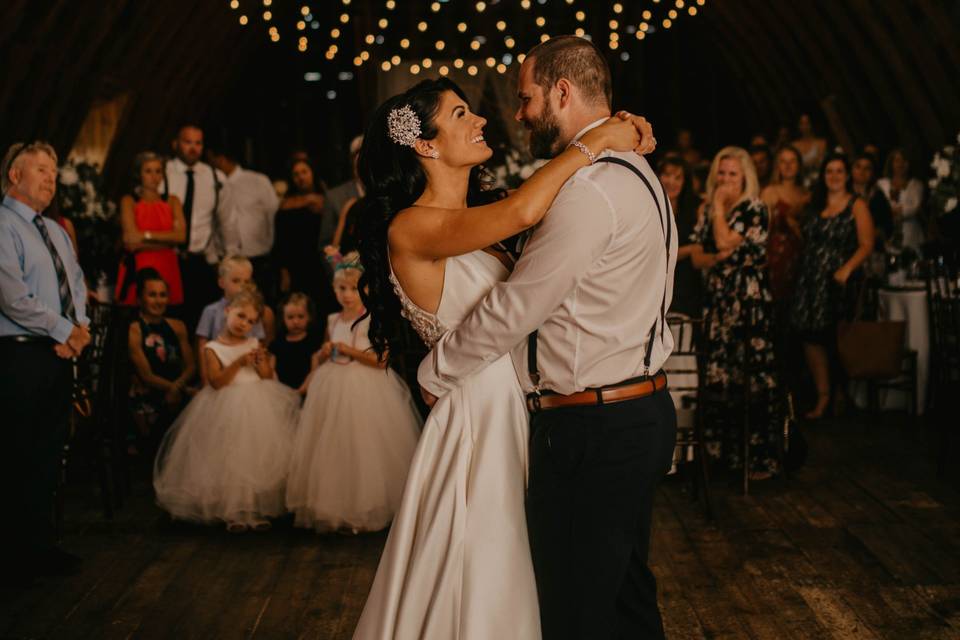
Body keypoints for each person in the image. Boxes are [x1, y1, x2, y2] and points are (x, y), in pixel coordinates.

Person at [353, 40, 662, 640]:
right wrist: (595, 141)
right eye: (460, 115)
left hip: (517, 411)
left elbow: (536, 230)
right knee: (480, 568)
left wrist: (614, 129)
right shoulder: (412, 225)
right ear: (425, 145)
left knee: (537, 570)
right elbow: (525, 211)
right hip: (476, 415)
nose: (483, 118)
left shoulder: (478, 219)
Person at [1, 141, 90, 579]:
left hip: (57, 353)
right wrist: (64, 330)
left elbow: (75, 282)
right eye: (41, 170)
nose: (51, 179)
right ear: (15, 175)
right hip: (18, 354)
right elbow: (14, 298)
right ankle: (13, 553)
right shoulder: (2, 225)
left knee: (48, 451)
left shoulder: (55, 230)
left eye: (55, 172)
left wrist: (81, 328)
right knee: (16, 452)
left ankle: (41, 545)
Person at [286, 253, 421, 533]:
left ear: (367, 289)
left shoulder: (372, 320)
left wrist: (349, 350)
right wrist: (324, 353)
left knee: (363, 445)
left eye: (354, 288)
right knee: (332, 446)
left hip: (365, 388)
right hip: (332, 385)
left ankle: (366, 507)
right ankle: (337, 506)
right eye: (341, 289)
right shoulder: (332, 319)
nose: (347, 295)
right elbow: (328, 349)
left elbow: (381, 360)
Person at [153, 286, 299, 533]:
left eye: (251, 321)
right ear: (228, 310)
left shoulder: (254, 342)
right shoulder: (212, 347)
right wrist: (239, 362)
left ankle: (253, 509)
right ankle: (233, 511)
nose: (244, 324)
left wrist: (261, 363)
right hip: (226, 405)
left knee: (254, 458)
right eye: (241, 316)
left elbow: (265, 377)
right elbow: (217, 382)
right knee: (230, 458)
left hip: (256, 403)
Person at [690, 146, 780, 479]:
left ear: (745, 178)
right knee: (718, 377)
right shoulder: (706, 210)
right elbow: (700, 257)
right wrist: (720, 255)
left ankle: (756, 459)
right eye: (722, 173)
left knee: (750, 380)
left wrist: (716, 210)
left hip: (746, 305)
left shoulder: (754, 208)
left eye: (733, 174)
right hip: (717, 302)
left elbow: (725, 241)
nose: (726, 180)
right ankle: (720, 458)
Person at [792, 152, 875, 419]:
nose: (834, 176)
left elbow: (867, 244)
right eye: (829, 171)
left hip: (837, 281)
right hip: (809, 280)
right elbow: (795, 220)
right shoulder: (814, 203)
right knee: (808, 336)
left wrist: (847, 269)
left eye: (839, 171)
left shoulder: (856, 204)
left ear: (847, 175)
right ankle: (822, 396)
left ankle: (840, 396)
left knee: (834, 338)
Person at [161, 124, 239, 328]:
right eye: (188, 142)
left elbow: (227, 222)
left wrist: (232, 261)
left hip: (202, 261)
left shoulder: (215, 177)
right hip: (171, 258)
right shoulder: (163, 173)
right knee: (170, 319)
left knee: (202, 321)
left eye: (198, 143)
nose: (193, 148)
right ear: (176, 144)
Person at [127, 268, 195, 454]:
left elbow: (191, 366)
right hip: (151, 392)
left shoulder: (178, 326)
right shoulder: (134, 330)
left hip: (178, 389)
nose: (158, 300)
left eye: (163, 295)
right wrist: (174, 389)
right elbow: (146, 376)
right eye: (152, 295)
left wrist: (178, 387)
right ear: (140, 299)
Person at [207, 143, 279, 300]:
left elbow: (274, 215)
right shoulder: (210, 184)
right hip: (225, 261)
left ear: (221, 160)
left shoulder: (258, 181)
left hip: (258, 260)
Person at [115, 152, 186, 306]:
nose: (154, 176)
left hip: (167, 267)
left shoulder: (172, 201)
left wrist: (144, 235)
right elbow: (130, 241)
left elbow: (181, 237)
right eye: (148, 171)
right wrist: (168, 241)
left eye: (158, 171)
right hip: (139, 265)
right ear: (139, 174)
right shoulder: (129, 201)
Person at [196, 255, 275, 385]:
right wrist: (204, 377)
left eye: (246, 281)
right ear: (221, 282)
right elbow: (202, 345)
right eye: (236, 281)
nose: (242, 286)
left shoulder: (253, 312)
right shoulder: (211, 311)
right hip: (221, 369)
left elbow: (259, 344)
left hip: (248, 373)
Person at [273, 156, 337, 316]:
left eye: (304, 172)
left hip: (320, 262)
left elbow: (334, 234)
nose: (301, 177)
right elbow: (280, 240)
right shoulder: (286, 203)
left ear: (312, 173)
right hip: (295, 263)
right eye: (296, 174)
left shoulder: (327, 199)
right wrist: (284, 271)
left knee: (324, 305)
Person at [761, 145, 810, 304]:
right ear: (777, 166)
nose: (788, 166)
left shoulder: (806, 193)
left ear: (799, 165)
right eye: (783, 161)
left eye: (792, 161)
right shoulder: (769, 192)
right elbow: (762, 228)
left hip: (802, 257)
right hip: (776, 259)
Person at [659, 155, 703, 318]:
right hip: (656, 279)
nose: (671, 181)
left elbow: (702, 248)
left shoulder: (695, 207)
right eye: (667, 175)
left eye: (678, 177)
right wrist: (689, 249)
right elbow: (658, 254)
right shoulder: (649, 206)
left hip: (686, 283)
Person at [269, 291, 320, 393]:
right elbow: (271, 370)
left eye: (300, 316)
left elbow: (315, 370)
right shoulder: (277, 344)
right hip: (280, 392)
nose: (295, 321)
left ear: (309, 317)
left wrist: (302, 389)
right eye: (290, 317)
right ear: (283, 319)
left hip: (305, 391)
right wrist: (278, 388)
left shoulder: (313, 342)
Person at [876, 148, 925, 251]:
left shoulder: (916, 185)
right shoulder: (881, 184)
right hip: (887, 232)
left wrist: (898, 211)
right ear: (891, 163)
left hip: (910, 233)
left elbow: (914, 208)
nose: (901, 164)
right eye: (897, 160)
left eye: (904, 160)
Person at [851, 152, 893, 245]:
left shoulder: (878, 196)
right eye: (858, 167)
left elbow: (887, 226)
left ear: (873, 173)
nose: (862, 172)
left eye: (867, 168)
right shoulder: (842, 192)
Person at [792, 113, 827, 186]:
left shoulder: (821, 143)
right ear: (798, 126)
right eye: (802, 123)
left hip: (818, 182)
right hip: (800, 183)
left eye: (807, 123)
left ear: (812, 124)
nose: (805, 127)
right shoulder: (794, 145)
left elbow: (821, 164)